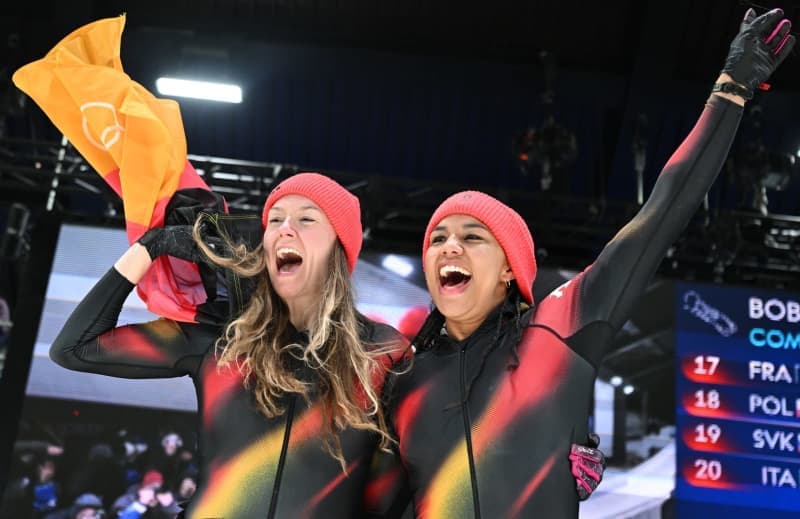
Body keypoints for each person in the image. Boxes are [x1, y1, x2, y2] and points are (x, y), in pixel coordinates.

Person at [381, 7, 794, 518]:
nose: (448, 246)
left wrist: (730, 89)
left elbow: (662, 213)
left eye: (472, 236)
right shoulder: (402, 379)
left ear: (510, 267)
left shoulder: (557, 328)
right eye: (437, 238)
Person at [50, 173, 408, 518]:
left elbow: (391, 493)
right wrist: (151, 246)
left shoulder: (382, 350)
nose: (285, 228)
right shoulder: (224, 335)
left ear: (340, 245)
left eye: (307, 219)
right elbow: (74, 347)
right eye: (276, 219)